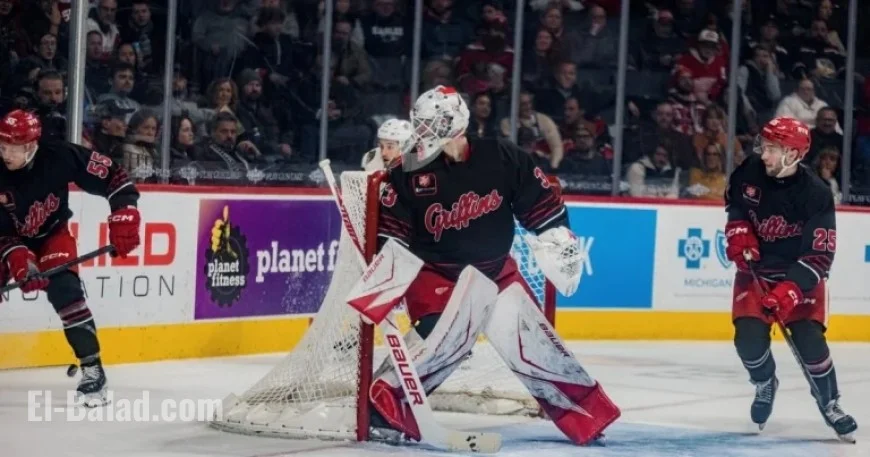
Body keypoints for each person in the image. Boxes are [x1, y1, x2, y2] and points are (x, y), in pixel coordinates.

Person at [361, 86, 620, 445]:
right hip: (437, 273)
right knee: (445, 336)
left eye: (429, 124)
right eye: (418, 124)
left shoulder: (501, 156)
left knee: (532, 343)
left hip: (496, 270)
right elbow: (392, 238)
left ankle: (587, 415)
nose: (420, 133)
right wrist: (385, 279)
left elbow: (541, 205)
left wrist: (557, 235)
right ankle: (383, 409)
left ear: (453, 123)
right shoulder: (407, 171)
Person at [724, 116, 857, 440]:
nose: (763, 154)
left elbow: (819, 256)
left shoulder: (816, 194)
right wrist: (738, 229)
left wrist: (789, 291)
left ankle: (830, 403)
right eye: (764, 147)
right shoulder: (750, 170)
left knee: (810, 342)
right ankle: (765, 382)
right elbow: (736, 205)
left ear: (793, 154)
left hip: (798, 276)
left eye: (772, 149)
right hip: (755, 273)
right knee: (748, 340)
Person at [0, 110, 141, 407]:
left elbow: (114, 175)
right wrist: (19, 259)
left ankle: (92, 369)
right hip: (7, 239)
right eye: (1, 145)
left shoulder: (60, 156)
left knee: (66, 292)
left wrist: (124, 211)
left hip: (53, 233)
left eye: (11, 147)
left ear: (31, 145)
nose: (4, 152)